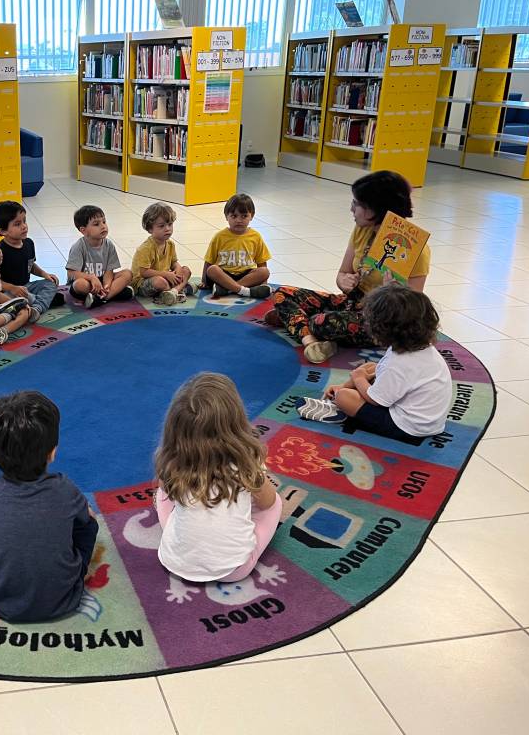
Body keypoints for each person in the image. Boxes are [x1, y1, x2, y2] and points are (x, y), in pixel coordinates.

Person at [0, 391, 99, 622]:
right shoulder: (65, 489)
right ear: (52, 453)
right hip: (66, 598)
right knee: (88, 521)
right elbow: (85, 521)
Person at [269, 170, 431, 363]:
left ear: (375, 208)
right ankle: (311, 341)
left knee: (321, 322)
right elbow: (343, 273)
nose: (351, 209)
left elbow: (411, 313)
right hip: (353, 301)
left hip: (382, 318)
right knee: (282, 293)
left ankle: (299, 323)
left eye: (357, 204)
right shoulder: (362, 230)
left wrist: (392, 293)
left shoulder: (416, 250)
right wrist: (343, 280)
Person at [155, 373, 282, 583]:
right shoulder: (246, 461)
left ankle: (187, 535)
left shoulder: (171, 462)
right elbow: (267, 502)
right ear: (236, 421)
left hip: (174, 562)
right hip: (235, 570)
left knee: (163, 494)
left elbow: (166, 489)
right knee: (275, 504)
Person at [301, 283, 452, 440]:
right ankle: (342, 393)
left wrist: (358, 378)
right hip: (428, 421)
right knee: (370, 367)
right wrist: (353, 380)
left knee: (344, 396)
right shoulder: (419, 347)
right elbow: (385, 374)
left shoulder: (399, 364)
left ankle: (343, 410)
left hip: (407, 427)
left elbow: (375, 400)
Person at [0, 200, 66, 322]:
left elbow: (30, 265)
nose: (24, 226)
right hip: (9, 292)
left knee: (51, 283)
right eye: (17, 224)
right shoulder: (0, 252)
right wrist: (12, 288)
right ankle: (39, 302)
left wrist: (45, 275)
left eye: (24, 221)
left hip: (27, 287)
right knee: (11, 300)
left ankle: (35, 308)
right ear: (3, 231)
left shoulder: (28, 243)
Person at [202, 193, 272, 300]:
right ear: (226, 216)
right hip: (224, 274)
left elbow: (262, 262)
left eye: (244, 216)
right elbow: (209, 261)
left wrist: (263, 282)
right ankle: (246, 291)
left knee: (264, 271)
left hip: (246, 275)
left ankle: (228, 289)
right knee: (212, 270)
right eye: (234, 216)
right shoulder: (219, 237)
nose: (239, 220)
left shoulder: (256, 236)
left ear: (252, 216)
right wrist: (204, 281)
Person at [65, 204, 135, 308]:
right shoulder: (79, 246)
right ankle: (113, 294)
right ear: (83, 230)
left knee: (127, 273)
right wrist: (91, 277)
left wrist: (107, 285)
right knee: (79, 284)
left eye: (104, 222)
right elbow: (71, 273)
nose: (103, 226)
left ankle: (103, 297)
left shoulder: (109, 245)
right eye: (96, 224)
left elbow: (108, 271)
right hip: (86, 281)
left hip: (102, 280)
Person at [131, 202, 193, 306]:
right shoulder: (146, 248)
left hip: (165, 276)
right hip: (143, 283)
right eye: (161, 226)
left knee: (186, 270)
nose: (167, 229)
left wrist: (178, 270)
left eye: (170, 224)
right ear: (150, 229)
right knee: (160, 282)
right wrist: (166, 274)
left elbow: (174, 262)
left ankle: (173, 292)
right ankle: (180, 289)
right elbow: (144, 272)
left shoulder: (170, 244)